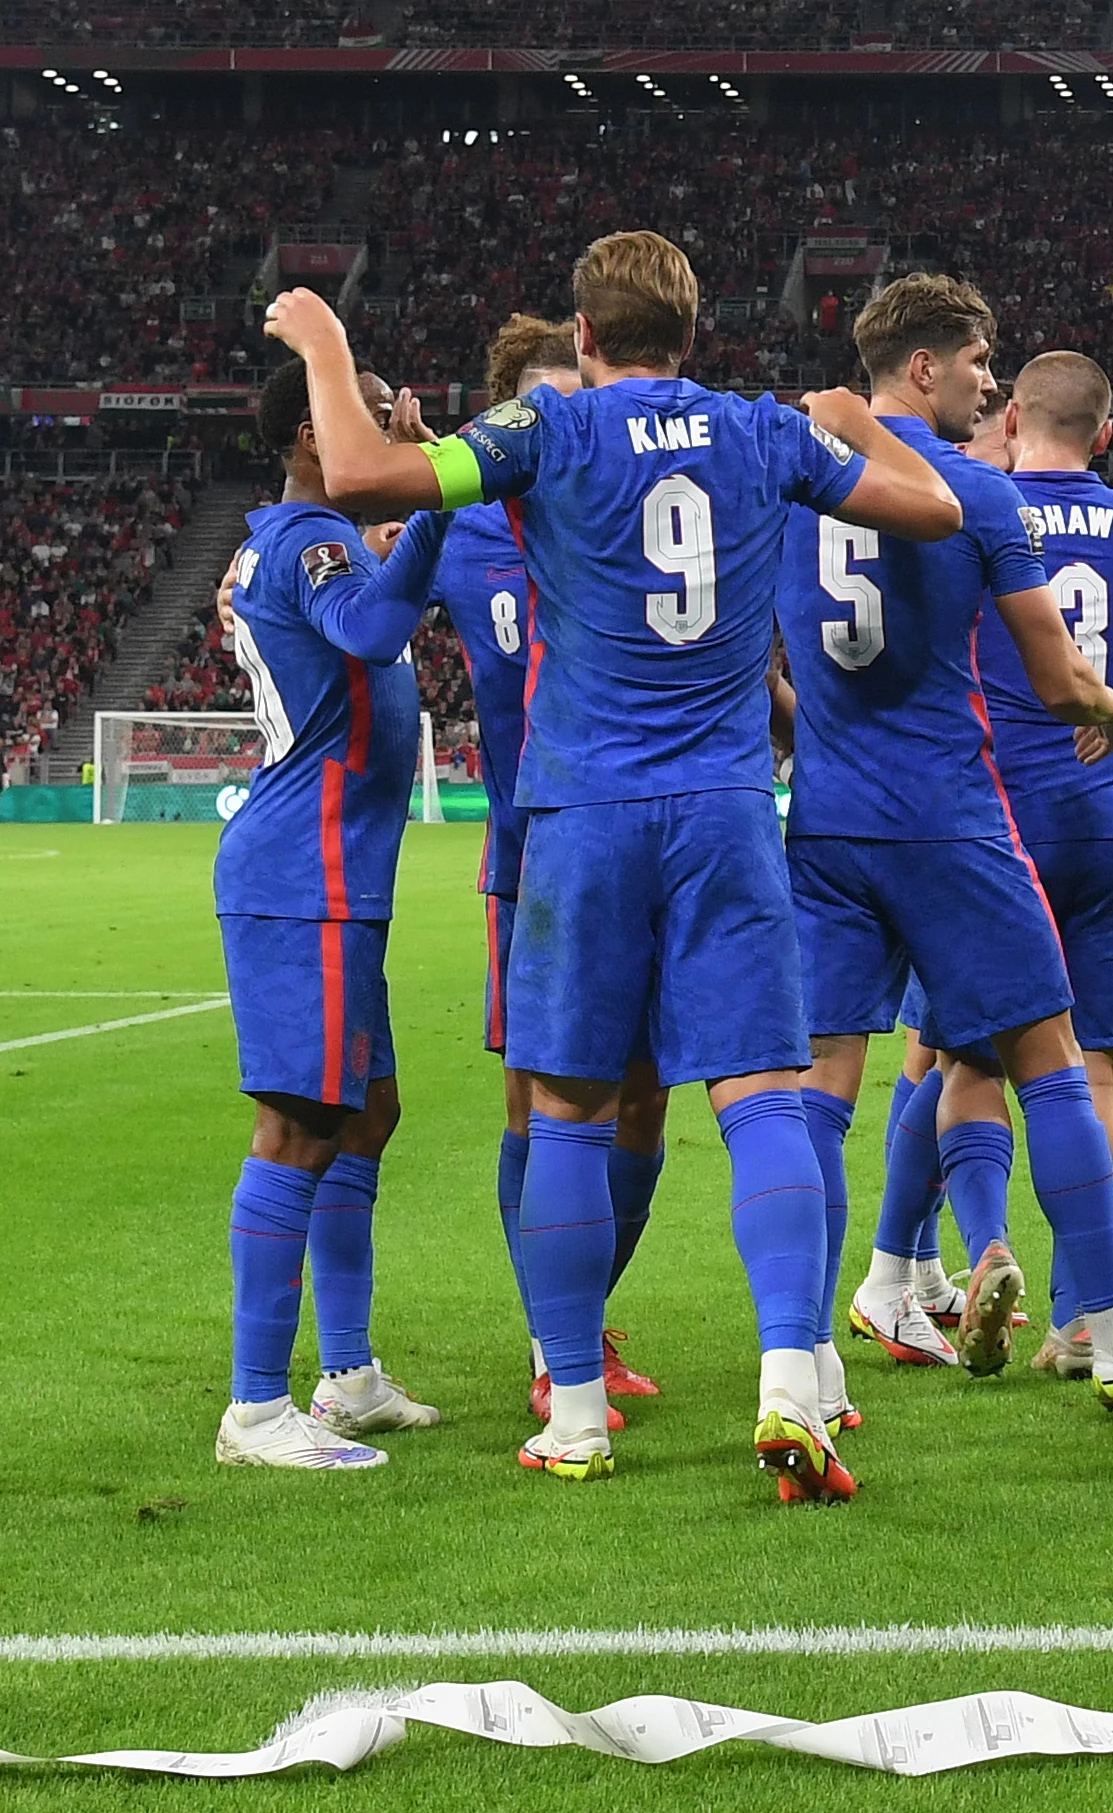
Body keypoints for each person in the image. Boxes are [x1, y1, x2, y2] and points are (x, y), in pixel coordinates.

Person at [263, 230, 964, 1499]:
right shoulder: (759, 434)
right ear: (692, 334)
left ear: (583, 339)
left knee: (571, 1109)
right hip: (727, 809)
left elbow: (361, 477)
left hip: (581, 814)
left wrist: (326, 345)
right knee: (762, 1102)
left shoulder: (547, 433)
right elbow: (935, 510)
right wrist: (858, 422)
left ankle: (573, 1406)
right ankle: (791, 1377)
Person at [775, 280, 1113, 1423]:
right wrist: (1106, 709)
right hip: (950, 820)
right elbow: (1053, 674)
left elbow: (750, 663)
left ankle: (808, 1358)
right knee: (1051, 1057)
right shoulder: (975, 492)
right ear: (919, 370)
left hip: (824, 822)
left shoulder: (778, 490)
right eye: (977, 362)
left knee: (816, 1098)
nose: (992, 385)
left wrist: (814, 731)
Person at [422, 312, 671, 1431]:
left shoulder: (619, 508)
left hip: (636, 836)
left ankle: (584, 1321)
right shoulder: (468, 524)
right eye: (542, 395)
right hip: (530, 854)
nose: (565, 411)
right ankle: (552, 1343)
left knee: (646, 1099)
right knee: (540, 1101)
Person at [209, 356, 454, 1473]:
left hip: (333, 875)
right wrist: (433, 497)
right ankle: (256, 1409)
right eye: (355, 413)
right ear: (314, 438)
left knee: (368, 1112)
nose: (376, 428)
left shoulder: (305, 538)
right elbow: (369, 628)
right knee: (299, 1126)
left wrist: (411, 510)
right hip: (301, 876)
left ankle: (346, 1376)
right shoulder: (315, 542)